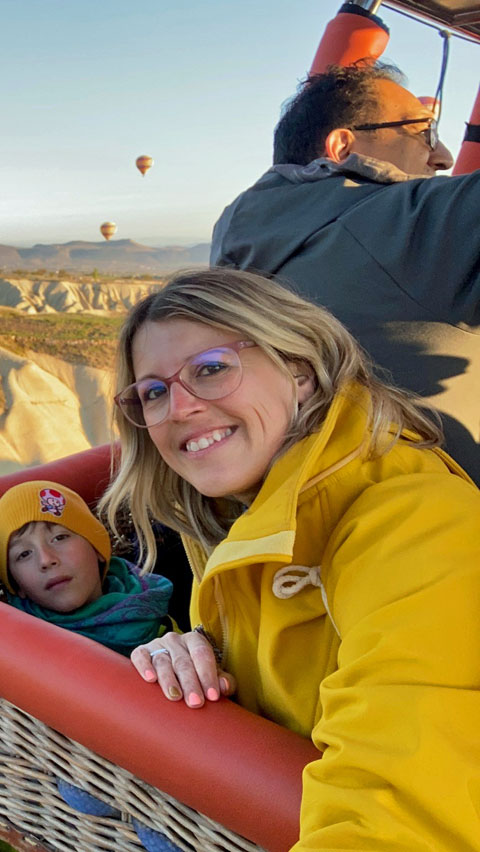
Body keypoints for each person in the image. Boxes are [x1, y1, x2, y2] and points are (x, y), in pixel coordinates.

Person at [102, 268, 480, 849]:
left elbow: (398, 811)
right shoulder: (231, 520)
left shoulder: (417, 522)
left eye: (210, 369)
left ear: (298, 371)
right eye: (153, 392)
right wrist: (192, 647)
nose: (178, 408)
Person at [210, 62, 480, 482]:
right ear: (341, 148)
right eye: (424, 132)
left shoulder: (235, 237)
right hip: (449, 521)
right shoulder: (413, 224)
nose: (443, 158)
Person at [0, 480, 172, 657]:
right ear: (17, 586)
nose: (46, 560)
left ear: (97, 548)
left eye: (59, 538)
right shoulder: (19, 647)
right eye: (24, 554)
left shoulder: (156, 603)